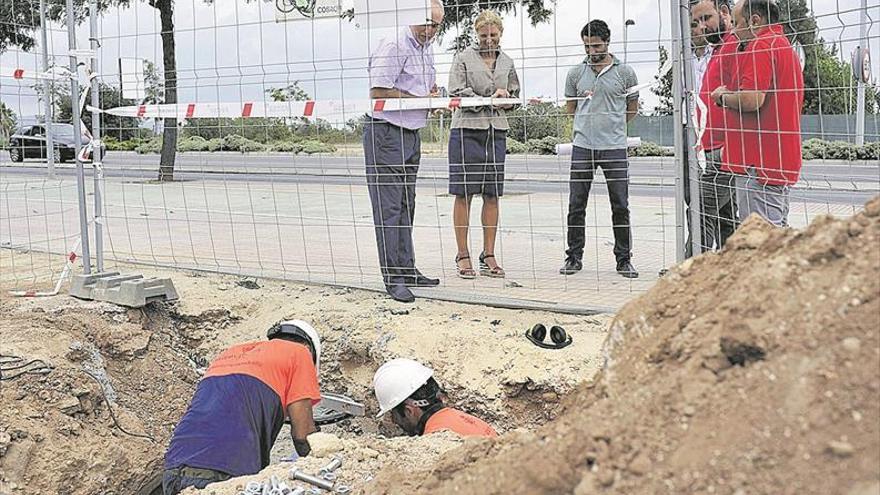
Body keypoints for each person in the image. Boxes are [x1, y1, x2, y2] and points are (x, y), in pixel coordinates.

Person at [162, 321, 323, 495]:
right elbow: (302, 436)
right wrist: (320, 465)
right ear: (309, 348)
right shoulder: (300, 352)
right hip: (224, 474)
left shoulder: (230, 354)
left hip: (173, 469)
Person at [363, 0, 445, 303]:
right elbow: (378, 90)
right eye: (426, 22)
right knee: (389, 208)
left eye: (436, 25)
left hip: (411, 133)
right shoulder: (395, 43)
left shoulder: (426, 47)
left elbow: (419, 88)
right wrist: (416, 98)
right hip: (386, 132)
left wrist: (430, 97)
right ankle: (393, 277)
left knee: (406, 204)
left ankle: (407, 269)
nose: (430, 30)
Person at [711, 0, 804, 227]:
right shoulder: (782, 45)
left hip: (759, 161)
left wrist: (722, 97)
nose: (732, 30)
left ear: (754, 21)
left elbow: (752, 99)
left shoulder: (761, 45)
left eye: (735, 22)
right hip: (777, 157)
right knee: (775, 232)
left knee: (760, 238)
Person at [560, 19, 640, 278]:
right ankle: (573, 257)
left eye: (596, 46)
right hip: (583, 146)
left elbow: (632, 108)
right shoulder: (575, 74)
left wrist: (613, 125)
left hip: (615, 147)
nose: (592, 51)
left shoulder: (625, 72)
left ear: (607, 42)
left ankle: (624, 259)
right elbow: (571, 109)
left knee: (620, 204)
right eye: (587, 46)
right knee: (576, 204)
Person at [447, 9, 520, 279]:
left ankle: (488, 254)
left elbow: (514, 94)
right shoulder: (463, 58)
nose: (489, 39)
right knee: (463, 193)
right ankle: (462, 254)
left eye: (493, 35)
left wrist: (506, 97)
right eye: (483, 35)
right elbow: (456, 90)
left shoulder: (508, 61)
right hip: (466, 130)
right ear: (476, 34)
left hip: (496, 131)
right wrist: (489, 96)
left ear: (500, 34)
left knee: (492, 194)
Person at [691, 0, 739, 252]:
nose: (702, 27)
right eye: (696, 23)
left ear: (724, 13)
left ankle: (689, 269)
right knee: (726, 219)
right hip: (708, 147)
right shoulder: (718, 49)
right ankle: (733, 271)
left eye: (706, 18)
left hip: (723, 149)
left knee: (701, 211)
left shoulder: (734, 46)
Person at [372, 358, 497, 438]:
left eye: (394, 415)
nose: (394, 421)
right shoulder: (472, 423)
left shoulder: (436, 441)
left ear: (409, 411)